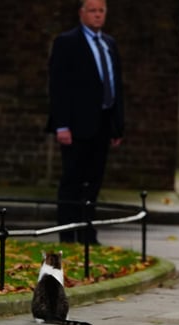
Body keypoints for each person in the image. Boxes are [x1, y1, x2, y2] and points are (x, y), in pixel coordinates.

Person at [47, 0, 124, 245]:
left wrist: (117, 125)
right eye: (92, 11)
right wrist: (62, 125)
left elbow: (115, 86)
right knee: (72, 180)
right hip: (76, 125)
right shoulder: (67, 42)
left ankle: (88, 233)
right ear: (81, 13)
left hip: (102, 122)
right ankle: (68, 234)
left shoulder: (109, 44)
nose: (97, 15)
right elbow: (58, 86)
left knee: (94, 181)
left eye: (101, 11)